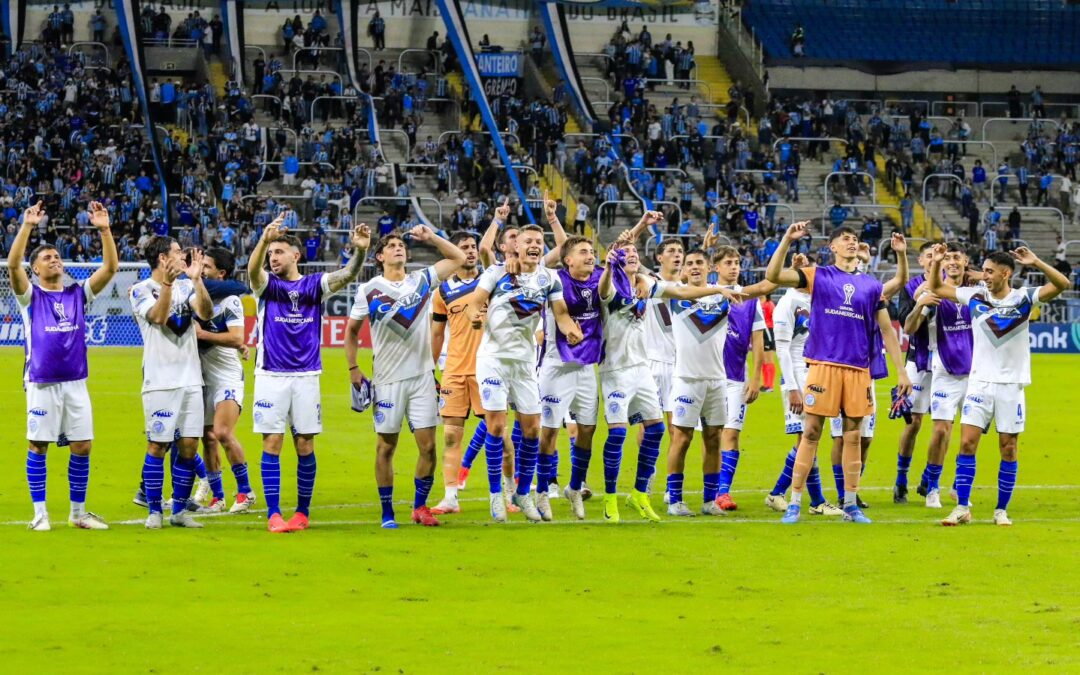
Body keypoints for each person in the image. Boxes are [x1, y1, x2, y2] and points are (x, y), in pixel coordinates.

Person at [764, 222, 911, 524]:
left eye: (854, 239)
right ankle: (795, 502)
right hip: (823, 366)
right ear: (832, 247)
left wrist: (902, 372)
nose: (851, 242)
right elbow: (774, 276)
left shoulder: (871, 286)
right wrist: (787, 239)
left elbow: (887, 329)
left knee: (853, 436)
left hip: (858, 369)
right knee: (811, 432)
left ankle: (851, 504)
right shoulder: (818, 276)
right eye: (845, 239)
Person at [246, 213, 370, 533]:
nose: (273, 258)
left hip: (306, 375)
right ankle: (274, 514)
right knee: (272, 442)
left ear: (296, 255)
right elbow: (252, 271)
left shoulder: (314, 285)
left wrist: (360, 250)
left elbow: (348, 274)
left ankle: (302, 513)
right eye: (270, 253)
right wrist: (263, 240)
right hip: (270, 375)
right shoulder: (267, 286)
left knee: (305, 445)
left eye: (279, 252)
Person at [929, 244, 1069, 526]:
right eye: (984, 271)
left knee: (1008, 448)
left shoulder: (1024, 298)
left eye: (990, 271)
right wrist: (936, 262)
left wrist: (1036, 261)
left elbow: (1062, 284)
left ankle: (1000, 510)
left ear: (1006, 274)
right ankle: (962, 507)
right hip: (979, 382)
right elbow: (936, 287)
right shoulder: (974, 296)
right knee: (967, 443)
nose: (985, 276)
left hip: (1011, 385)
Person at [345, 226, 465, 529]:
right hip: (387, 380)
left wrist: (432, 237)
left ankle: (419, 507)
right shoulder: (369, 289)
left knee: (428, 447)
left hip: (422, 378)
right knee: (386, 447)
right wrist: (353, 368)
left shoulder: (422, 280)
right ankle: (387, 512)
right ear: (380, 256)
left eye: (401, 245)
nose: (398, 248)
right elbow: (351, 331)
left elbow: (458, 258)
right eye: (391, 246)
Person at [9, 202, 117, 531]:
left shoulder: (77, 293)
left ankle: (78, 513)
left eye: (57, 256)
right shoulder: (30, 296)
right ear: (36, 269)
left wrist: (104, 229)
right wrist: (28, 226)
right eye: (47, 257)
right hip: (41, 381)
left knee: (82, 445)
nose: (54, 259)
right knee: (38, 445)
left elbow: (110, 268)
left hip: (75, 382)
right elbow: (13, 264)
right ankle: (40, 514)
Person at [467, 219, 582, 522]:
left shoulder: (549, 279)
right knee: (496, 426)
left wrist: (571, 330)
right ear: (515, 245)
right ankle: (496, 494)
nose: (533, 245)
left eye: (538, 242)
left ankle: (522, 492)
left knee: (532, 429)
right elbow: (474, 304)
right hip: (493, 359)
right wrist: (476, 318)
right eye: (527, 241)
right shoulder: (496, 273)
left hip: (525, 363)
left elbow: (561, 314)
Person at [130, 236, 213, 529]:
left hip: (191, 379)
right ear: (163, 258)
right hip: (160, 381)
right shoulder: (140, 290)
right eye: (178, 252)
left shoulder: (187, 287)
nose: (184, 256)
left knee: (189, 445)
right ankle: (154, 510)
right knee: (158, 444)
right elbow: (158, 317)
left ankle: (178, 511)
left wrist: (198, 281)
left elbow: (206, 313)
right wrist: (166, 284)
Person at [663, 248, 742, 517]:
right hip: (686, 379)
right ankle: (675, 501)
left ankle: (709, 501)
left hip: (717, 380)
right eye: (690, 263)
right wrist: (719, 288)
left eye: (699, 262)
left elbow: (763, 287)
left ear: (709, 267)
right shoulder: (676, 293)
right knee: (681, 439)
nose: (695, 266)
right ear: (684, 270)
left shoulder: (725, 295)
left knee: (713, 439)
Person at [765, 255, 843, 517]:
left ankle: (781, 494)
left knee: (810, 438)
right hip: (797, 376)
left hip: (817, 373)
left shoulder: (818, 299)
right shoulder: (787, 303)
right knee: (807, 438)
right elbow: (783, 348)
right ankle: (810, 499)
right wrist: (792, 388)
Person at [903, 242, 972, 509]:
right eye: (948, 258)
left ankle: (959, 484)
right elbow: (909, 328)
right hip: (943, 369)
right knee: (941, 430)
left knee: (969, 434)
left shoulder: (977, 293)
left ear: (965, 261)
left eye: (957, 257)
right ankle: (932, 487)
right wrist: (919, 304)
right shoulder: (934, 294)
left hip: (975, 372)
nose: (952, 262)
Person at [429, 231, 488, 515]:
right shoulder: (441, 292)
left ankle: (509, 493)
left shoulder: (490, 282)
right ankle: (451, 497)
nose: (471, 251)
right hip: (454, 370)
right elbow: (437, 334)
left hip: (487, 368)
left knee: (498, 433)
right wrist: (430, 369)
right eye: (464, 247)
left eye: (473, 246)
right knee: (451, 436)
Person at [194, 247, 255, 514]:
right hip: (203, 376)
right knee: (207, 438)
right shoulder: (196, 295)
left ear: (221, 273)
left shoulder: (230, 301)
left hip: (227, 376)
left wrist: (202, 335)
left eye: (207, 266)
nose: (201, 269)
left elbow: (236, 337)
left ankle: (246, 492)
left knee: (222, 432)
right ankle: (217, 498)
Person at [893, 242, 937, 503]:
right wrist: (919, 299)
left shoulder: (952, 283)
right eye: (928, 256)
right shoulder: (911, 287)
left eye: (937, 256)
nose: (933, 259)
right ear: (921, 260)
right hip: (918, 359)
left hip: (948, 362)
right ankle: (901, 480)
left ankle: (929, 477)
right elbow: (903, 320)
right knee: (914, 423)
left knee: (943, 424)